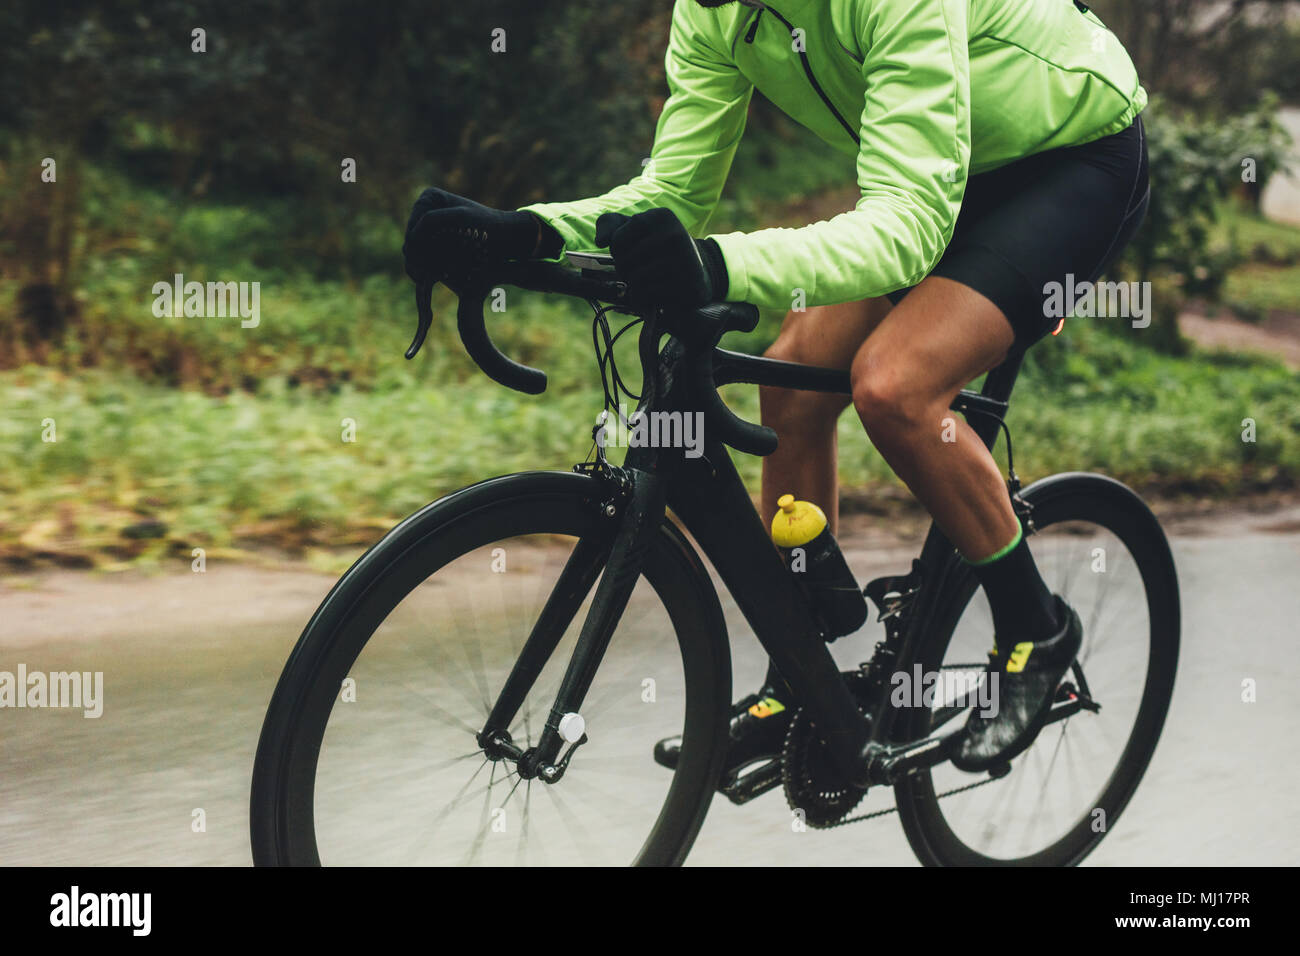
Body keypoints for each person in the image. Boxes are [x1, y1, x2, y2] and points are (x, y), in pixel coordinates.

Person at [402, 0, 1151, 777]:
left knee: (895, 386)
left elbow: (907, 227)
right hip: (947, 164)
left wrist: (715, 265)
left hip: (1071, 157)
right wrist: (530, 233)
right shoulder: (713, 11)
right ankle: (801, 676)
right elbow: (675, 194)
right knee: (790, 386)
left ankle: (1039, 629)